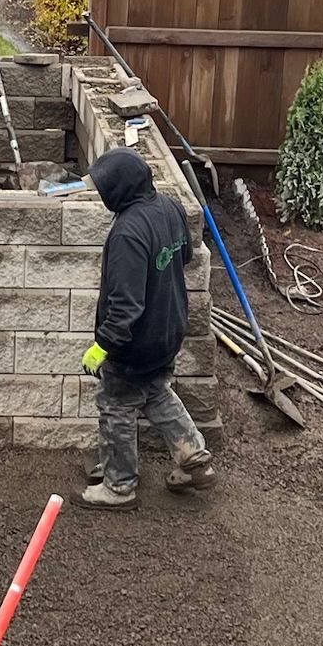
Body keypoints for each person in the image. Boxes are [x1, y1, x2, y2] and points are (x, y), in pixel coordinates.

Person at [78, 147, 214, 508]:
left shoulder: (127, 234)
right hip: (168, 328)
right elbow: (183, 256)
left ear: (119, 188)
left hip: (135, 342)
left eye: (103, 188)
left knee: (117, 404)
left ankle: (119, 486)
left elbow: (126, 304)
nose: (100, 194)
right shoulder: (168, 207)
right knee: (155, 390)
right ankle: (193, 456)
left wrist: (103, 345)